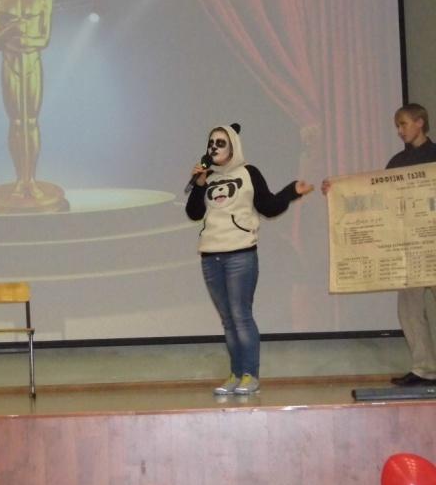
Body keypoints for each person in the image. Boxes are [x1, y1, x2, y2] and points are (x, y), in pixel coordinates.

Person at [186, 124, 313, 395]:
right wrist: (199, 185)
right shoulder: (208, 177)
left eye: (221, 142)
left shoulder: (248, 173)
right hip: (210, 256)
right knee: (227, 320)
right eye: (211, 142)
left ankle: (250, 376)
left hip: (240, 254)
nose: (214, 147)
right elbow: (194, 213)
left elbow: (269, 206)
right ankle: (235, 374)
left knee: (241, 316)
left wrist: (291, 191)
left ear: (233, 146)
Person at [322, 103, 436, 387]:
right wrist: (337, 191)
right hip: (409, 248)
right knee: (409, 310)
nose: (400, 130)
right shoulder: (397, 162)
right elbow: (375, 196)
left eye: (404, 124)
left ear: (420, 122)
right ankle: (425, 369)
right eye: (397, 125)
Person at [0, 0, 53, 201]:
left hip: (32, 62)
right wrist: (12, 29)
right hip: (11, 62)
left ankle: (31, 179)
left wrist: (28, 40)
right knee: (16, 122)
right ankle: (19, 179)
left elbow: (44, 38)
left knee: (31, 121)